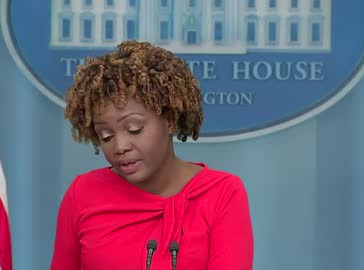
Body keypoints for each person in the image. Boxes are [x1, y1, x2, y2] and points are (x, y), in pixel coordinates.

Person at [51, 41, 253, 270]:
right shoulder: (82, 194)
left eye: (134, 129)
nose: (120, 146)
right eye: (105, 136)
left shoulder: (222, 194)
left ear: (169, 120)